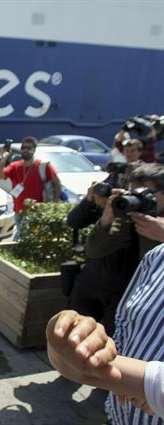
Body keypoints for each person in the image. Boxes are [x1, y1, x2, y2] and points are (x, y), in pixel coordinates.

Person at [47, 243, 164, 424]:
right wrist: (67, 350)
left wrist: (145, 387)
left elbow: (138, 380)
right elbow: (124, 331)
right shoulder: (157, 256)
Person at [66, 182, 139, 335]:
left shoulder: (147, 211)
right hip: (91, 278)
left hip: (122, 286)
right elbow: (74, 221)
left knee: (110, 339)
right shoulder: (112, 199)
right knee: (75, 331)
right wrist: (90, 200)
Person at [85, 163, 164, 261]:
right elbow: (94, 251)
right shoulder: (130, 220)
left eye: (146, 194)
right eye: (134, 193)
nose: (139, 199)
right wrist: (106, 219)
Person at [0, 136, 62, 240]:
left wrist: (55, 202)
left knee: (19, 238)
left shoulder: (43, 165)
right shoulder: (15, 166)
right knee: (30, 239)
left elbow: (57, 182)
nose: (25, 150)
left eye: (29, 148)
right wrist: (3, 159)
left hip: (35, 211)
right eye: (23, 147)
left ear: (34, 150)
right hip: (18, 211)